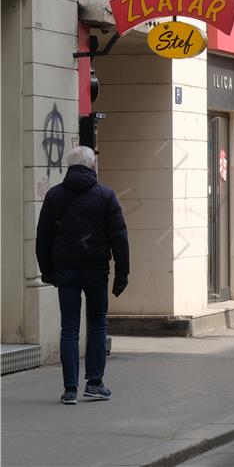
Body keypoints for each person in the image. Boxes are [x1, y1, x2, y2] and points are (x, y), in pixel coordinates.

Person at [35, 146, 129, 405]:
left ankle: (70, 390)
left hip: (66, 270)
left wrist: (47, 271)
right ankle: (94, 383)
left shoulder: (55, 196)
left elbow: (43, 238)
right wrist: (122, 273)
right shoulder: (105, 195)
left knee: (69, 328)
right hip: (96, 270)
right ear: (91, 166)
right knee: (97, 323)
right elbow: (119, 238)